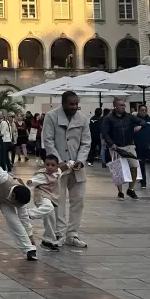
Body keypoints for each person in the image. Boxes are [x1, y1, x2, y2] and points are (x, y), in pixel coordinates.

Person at [40, 91, 92, 250]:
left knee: (79, 200)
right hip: (58, 167)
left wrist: (81, 160)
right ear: (63, 103)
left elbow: (86, 142)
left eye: (76, 104)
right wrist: (57, 162)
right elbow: (48, 140)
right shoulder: (51, 116)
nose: (74, 107)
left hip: (77, 167)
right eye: (71, 104)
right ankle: (59, 233)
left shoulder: (83, 119)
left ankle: (72, 234)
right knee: (59, 201)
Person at [101, 98, 139, 199]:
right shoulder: (108, 118)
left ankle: (131, 189)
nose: (123, 107)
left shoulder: (129, 116)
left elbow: (141, 121)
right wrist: (111, 144)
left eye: (124, 105)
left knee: (134, 166)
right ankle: (120, 192)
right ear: (115, 106)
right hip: (116, 146)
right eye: (121, 105)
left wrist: (140, 126)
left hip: (129, 145)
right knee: (118, 169)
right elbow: (105, 133)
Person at [132, 103, 150, 191]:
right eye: (142, 110)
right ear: (138, 111)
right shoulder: (134, 121)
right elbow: (130, 132)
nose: (144, 112)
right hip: (139, 146)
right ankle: (143, 182)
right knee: (141, 164)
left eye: (145, 110)